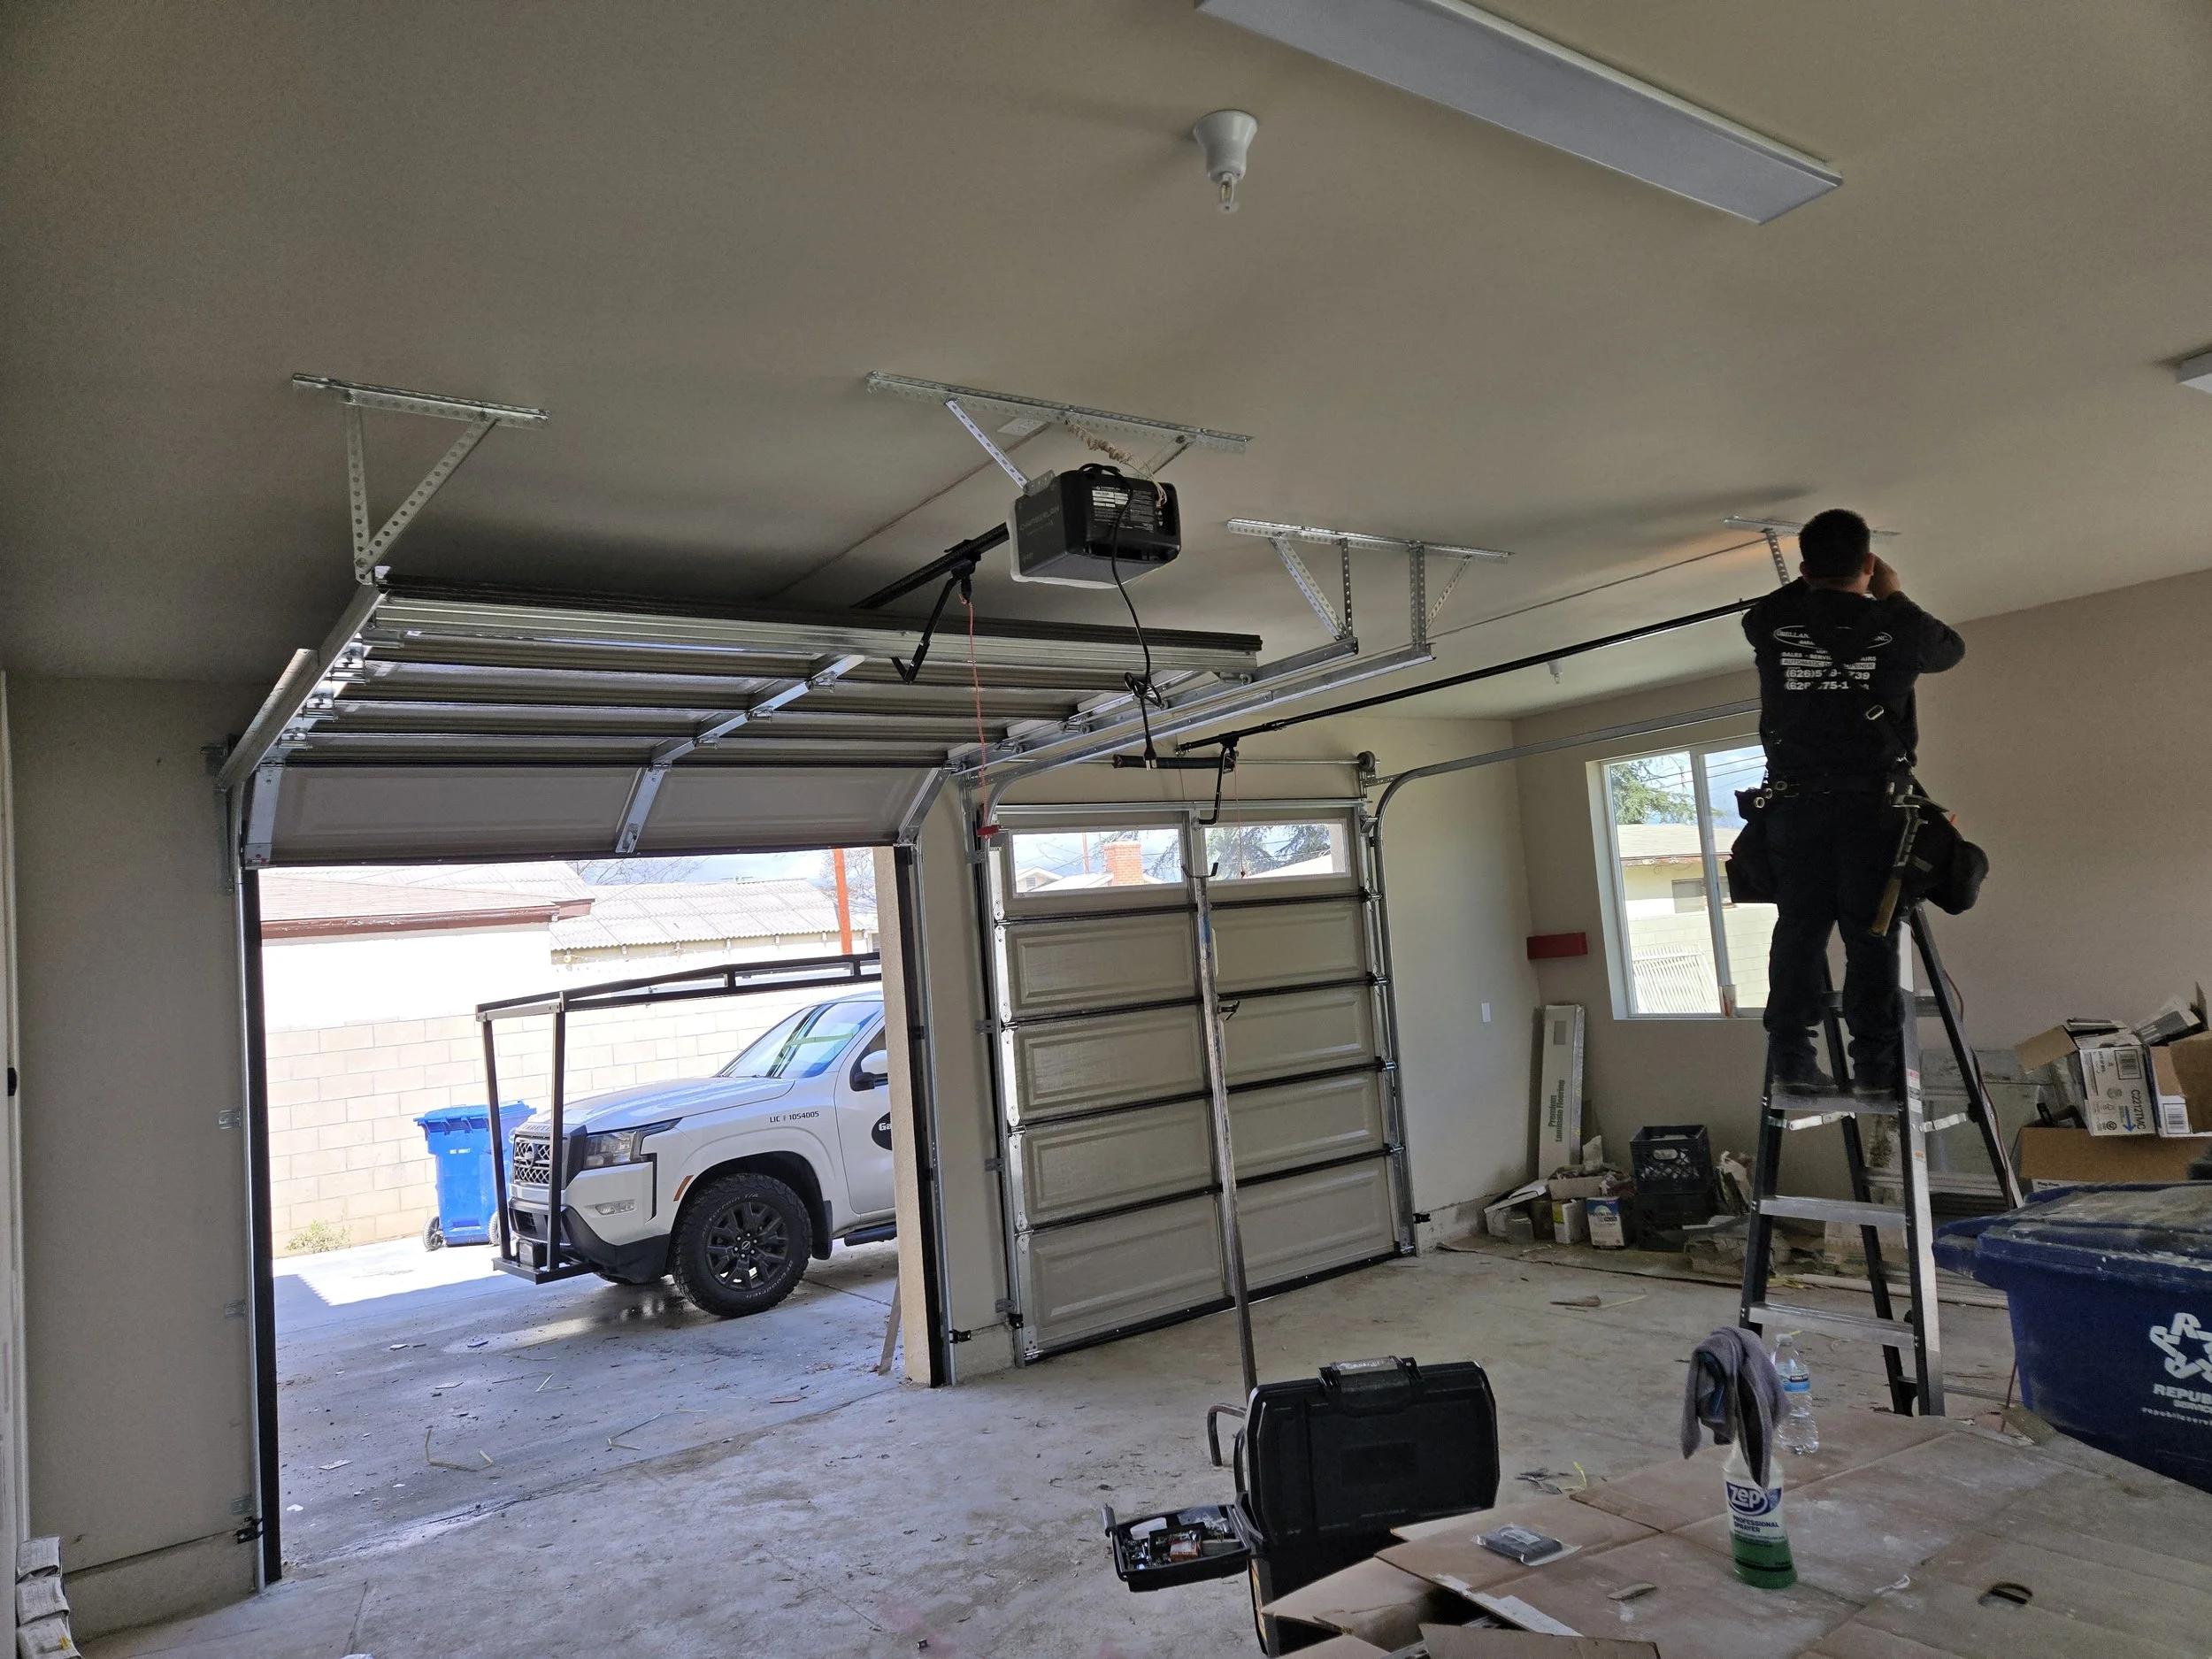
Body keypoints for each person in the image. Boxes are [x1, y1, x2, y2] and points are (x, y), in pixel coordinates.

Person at [1743, 510, 1963, 1098]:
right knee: (1871, 936)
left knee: (1798, 932)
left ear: (1807, 568)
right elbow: (1950, 649)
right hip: (1874, 810)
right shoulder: (1897, 625)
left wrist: (1816, 580)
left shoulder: (1772, 623)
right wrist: (1889, 592)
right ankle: (1874, 1070)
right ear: (1869, 564)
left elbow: (1761, 611)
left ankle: (1791, 1059)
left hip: (1795, 808)